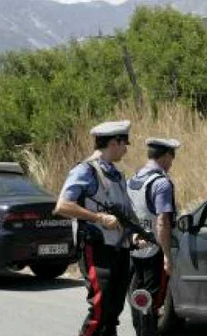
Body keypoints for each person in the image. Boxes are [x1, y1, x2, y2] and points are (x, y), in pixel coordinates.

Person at [54, 120, 144, 336]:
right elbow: (62, 206)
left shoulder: (117, 174)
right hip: (98, 248)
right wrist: (99, 218)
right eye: (124, 144)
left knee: (112, 313)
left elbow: (124, 214)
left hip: (120, 250)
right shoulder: (85, 170)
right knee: (100, 310)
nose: (126, 149)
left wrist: (134, 236)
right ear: (114, 143)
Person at [126, 137, 181, 336]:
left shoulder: (132, 181)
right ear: (166, 156)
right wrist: (167, 255)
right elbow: (162, 221)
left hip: (134, 249)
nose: (171, 163)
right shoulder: (161, 183)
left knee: (137, 298)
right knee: (151, 302)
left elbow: (127, 216)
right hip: (154, 251)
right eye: (172, 158)